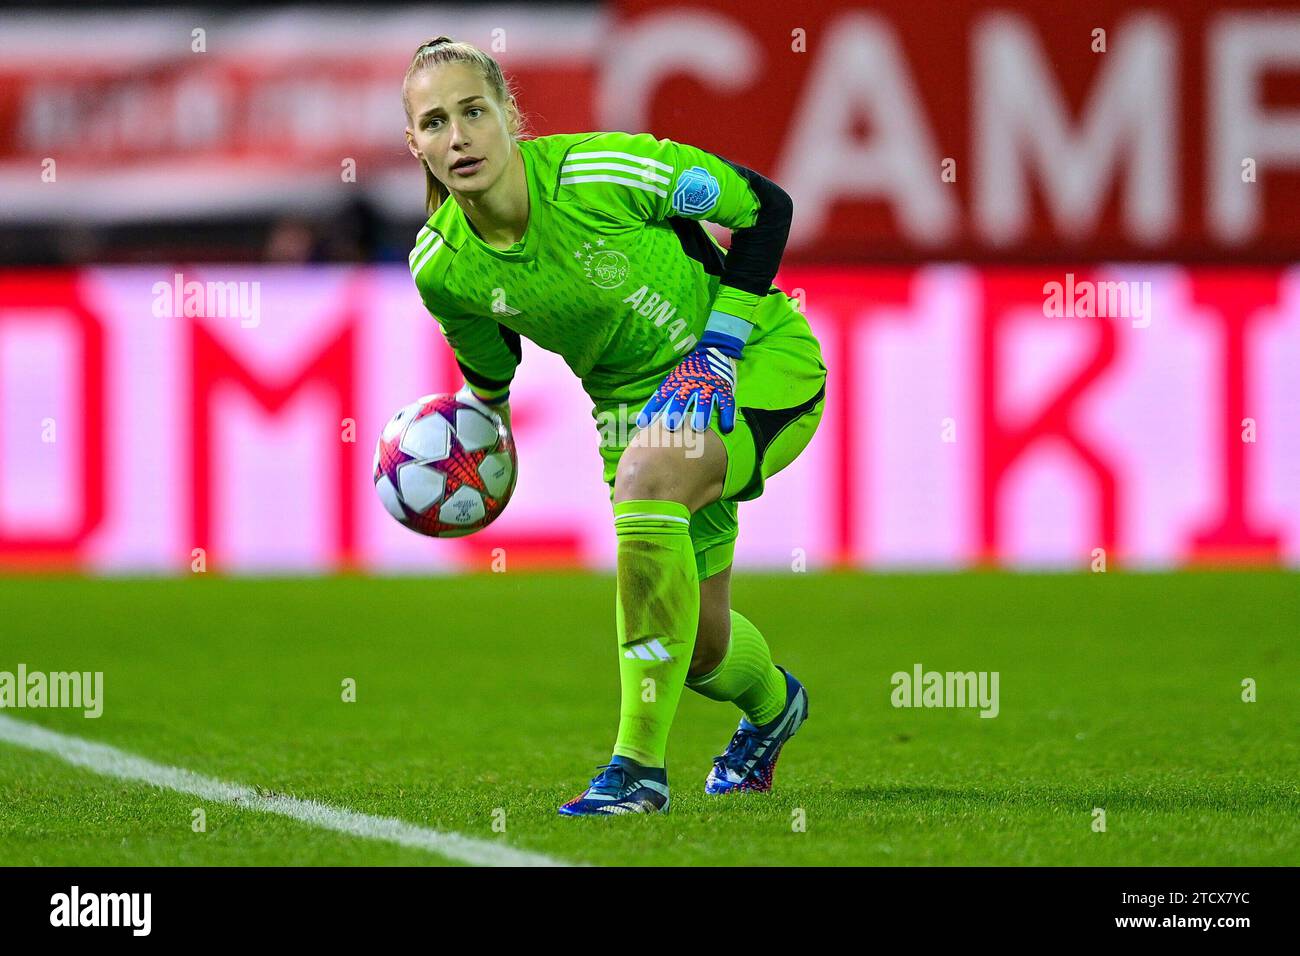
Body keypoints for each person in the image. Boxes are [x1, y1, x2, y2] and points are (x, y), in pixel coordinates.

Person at [403, 37, 827, 815]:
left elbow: (767, 208)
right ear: (416, 145)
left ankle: (636, 771)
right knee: (699, 649)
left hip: (753, 362)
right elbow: (490, 370)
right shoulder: (442, 266)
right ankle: (774, 708)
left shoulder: (602, 173)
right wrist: (477, 445)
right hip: (631, 414)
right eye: (435, 123)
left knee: (648, 477)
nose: (457, 136)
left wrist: (721, 349)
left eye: (473, 112)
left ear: (510, 117)